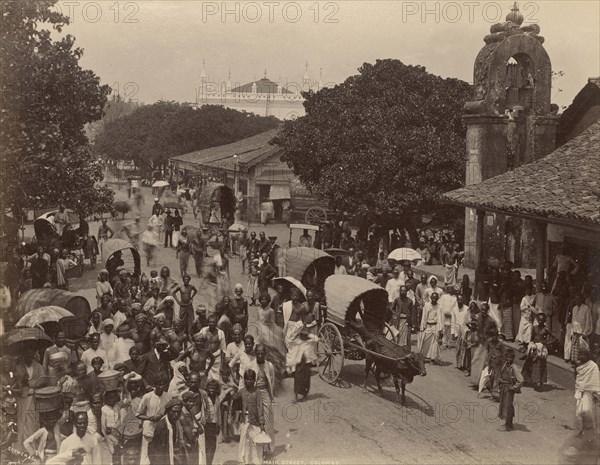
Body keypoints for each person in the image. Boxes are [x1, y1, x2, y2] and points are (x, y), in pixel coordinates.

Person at [137, 374, 173, 465]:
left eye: (163, 384)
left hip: (162, 431)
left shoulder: (168, 396)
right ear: (155, 385)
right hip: (149, 429)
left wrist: (161, 415)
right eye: (158, 384)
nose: (161, 387)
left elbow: (169, 412)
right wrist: (150, 417)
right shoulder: (147, 396)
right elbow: (138, 414)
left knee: (159, 455)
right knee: (145, 456)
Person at [234, 370, 267, 465]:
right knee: (244, 441)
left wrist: (261, 423)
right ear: (244, 380)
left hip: (255, 421)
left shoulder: (257, 392)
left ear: (254, 380)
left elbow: (260, 407)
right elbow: (235, 399)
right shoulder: (242, 391)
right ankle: (243, 461)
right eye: (247, 379)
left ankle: (257, 462)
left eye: (251, 379)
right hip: (244, 420)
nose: (249, 381)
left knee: (255, 442)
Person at [14, 348, 45, 450]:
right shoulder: (18, 368)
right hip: (22, 399)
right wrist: (30, 385)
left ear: (33, 355)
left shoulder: (39, 366)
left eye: (30, 355)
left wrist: (29, 383)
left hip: (35, 399)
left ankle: (34, 448)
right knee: (22, 423)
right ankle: (22, 449)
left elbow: (42, 381)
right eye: (26, 355)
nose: (29, 357)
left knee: (34, 423)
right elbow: (19, 384)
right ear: (23, 356)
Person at [248, 344, 275, 457]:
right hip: (254, 393)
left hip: (265, 393)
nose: (260, 355)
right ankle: (256, 448)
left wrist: (269, 396)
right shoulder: (250, 365)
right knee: (255, 420)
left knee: (268, 420)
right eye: (258, 353)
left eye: (262, 353)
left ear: (265, 354)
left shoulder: (269, 365)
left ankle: (268, 448)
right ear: (255, 354)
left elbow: (271, 380)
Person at [522, 313, 557, 391]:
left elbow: (555, 338)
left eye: (542, 320)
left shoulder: (546, 329)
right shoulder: (534, 328)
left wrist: (546, 344)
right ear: (537, 320)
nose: (540, 321)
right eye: (539, 320)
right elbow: (531, 338)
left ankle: (539, 382)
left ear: (544, 321)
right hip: (534, 348)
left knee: (540, 365)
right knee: (530, 363)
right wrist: (531, 345)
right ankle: (528, 380)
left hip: (541, 349)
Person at [148, 397, 186, 465]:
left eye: (179, 412)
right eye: (173, 412)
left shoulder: (175, 422)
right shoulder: (163, 427)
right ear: (168, 411)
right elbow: (159, 452)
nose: (176, 415)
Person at [574, 347, 600, 433]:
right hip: (581, 392)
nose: (581, 356)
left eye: (583, 355)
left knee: (588, 412)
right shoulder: (577, 364)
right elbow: (576, 377)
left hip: (589, 394)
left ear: (588, 355)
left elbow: (596, 381)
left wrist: (596, 393)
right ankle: (581, 430)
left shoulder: (593, 366)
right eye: (580, 354)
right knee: (580, 412)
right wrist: (579, 386)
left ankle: (588, 431)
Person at [497, 348, 524, 431]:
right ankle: (509, 423)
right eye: (507, 357)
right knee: (504, 405)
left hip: (509, 389)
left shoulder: (514, 367)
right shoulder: (505, 364)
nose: (508, 359)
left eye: (510, 358)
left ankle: (508, 425)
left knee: (508, 406)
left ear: (513, 358)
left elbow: (521, 379)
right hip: (503, 388)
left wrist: (514, 387)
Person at [196, 315, 227, 381]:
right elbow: (197, 342)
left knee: (217, 378)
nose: (211, 324)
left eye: (213, 322)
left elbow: (223, 350)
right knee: (204, 377)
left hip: (216, 359)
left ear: (216, 323)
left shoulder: (220, 333)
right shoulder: (203, 330)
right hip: (205, 358)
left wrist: (222, 364)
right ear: (208, 323)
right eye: (210, 322)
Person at [180, 391, 206, 465]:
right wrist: (196, 429)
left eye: (193, 402)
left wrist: (196, 429)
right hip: (186, 446)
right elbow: (190, 436)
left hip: (193, 444)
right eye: (190, 401)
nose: (192, 404)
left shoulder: (190, 413)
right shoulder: (182, 415)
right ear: (184, 402)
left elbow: (201, 430)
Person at [417, 292, 443, 364]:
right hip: (428, 326)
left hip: (435, 327)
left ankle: (432, 358)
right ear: (430, 298)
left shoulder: (439, 307)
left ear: (437, 299)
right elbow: (424, 317)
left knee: (434, 344)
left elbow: (440, 318)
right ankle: (424, 356)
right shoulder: (427, 305)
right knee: (424, 341)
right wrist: (423, 327)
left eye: (435, 298)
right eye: (433, 297)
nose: (434, 299)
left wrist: (440, 329)